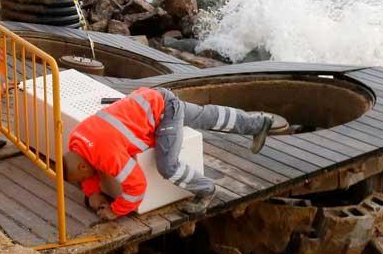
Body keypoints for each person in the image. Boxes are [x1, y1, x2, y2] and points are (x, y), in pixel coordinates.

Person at [66, 87, 275, 217]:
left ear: (83, 165)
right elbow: (85, 172)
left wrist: (115, 210)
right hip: (154, 98)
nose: (85, 179)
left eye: (82, 177)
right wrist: (92, 193)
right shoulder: (77, 139)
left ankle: (206, 190)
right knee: (206, 117)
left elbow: (137, 187)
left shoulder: (106, 154)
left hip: (164, 112)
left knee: (168, 166)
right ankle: (258, 123)